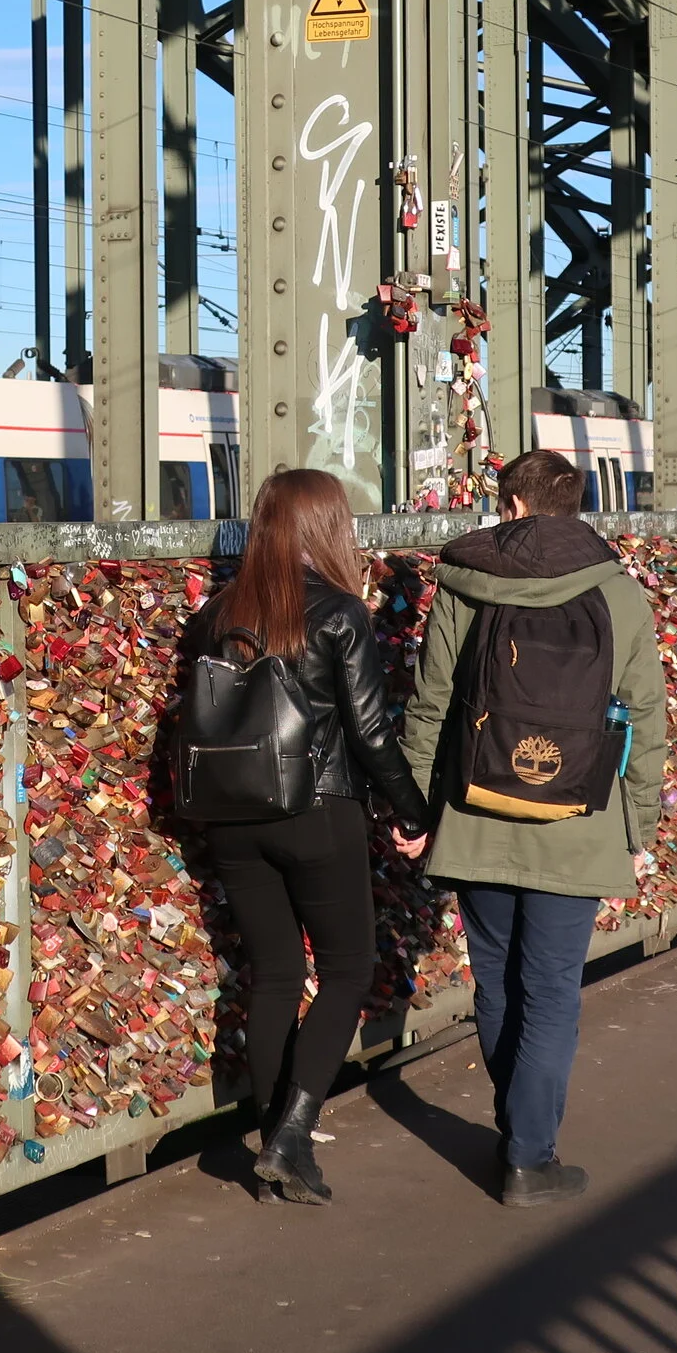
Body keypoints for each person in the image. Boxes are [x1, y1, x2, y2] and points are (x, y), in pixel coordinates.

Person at [394, 450, 666, 1208]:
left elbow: (431, 707)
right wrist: (636, 825)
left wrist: (418, 809)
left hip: (478, 816)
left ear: (511, 507)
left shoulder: (465, 584)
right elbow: (647, 717)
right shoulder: (619, 592)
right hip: (578, 821)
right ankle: (528, 1154)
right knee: (548, 989)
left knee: (497, 982)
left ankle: (520, 1129)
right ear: (574, 506)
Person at [176, 469, 427, 1205]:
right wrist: (413, 811)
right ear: (326, 528)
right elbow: (373, 734)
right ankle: (292, 1135)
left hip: (232, 817)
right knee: (349, 966)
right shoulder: (341, 612)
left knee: (276, 972)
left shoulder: (218, 612)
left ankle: (269, 1129)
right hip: (318, 810)